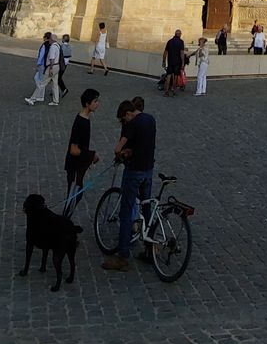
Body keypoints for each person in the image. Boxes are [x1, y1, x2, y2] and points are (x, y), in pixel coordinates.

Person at [102, 96, 156, 272]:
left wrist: (120, 155)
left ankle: (123, 257)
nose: (124, 122)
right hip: (148, 170)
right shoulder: (150, 120)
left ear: (128, 114)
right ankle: (149, 250)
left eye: (123, 119)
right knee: (147, 209)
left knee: (126, 213)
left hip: (134, 172)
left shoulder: (133, 124)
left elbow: (118, 148)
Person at [63, 88, 100, 218]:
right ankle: (64, 224)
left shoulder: (86, 119)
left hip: (79, 165)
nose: (97, 104)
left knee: (77, 194)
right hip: (74, 166)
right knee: (74, 196)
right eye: (95, 101)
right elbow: (73, 149)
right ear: (87, 104)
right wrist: (91, 155)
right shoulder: (81, 122)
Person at [24, 31, 52, 105]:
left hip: (43, 65)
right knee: (40, 80)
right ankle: (40, 96)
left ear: (45, 38)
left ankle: (35, 97)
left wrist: (38, 63)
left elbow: (41, 55)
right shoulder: (52, 45)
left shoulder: (44, 45)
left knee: (39, 80)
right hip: (47, 65)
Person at [162, 29, 185, 97]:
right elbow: (182, 53)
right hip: (177, 62)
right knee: (175, 77)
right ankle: (174, 91)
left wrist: (163, 61)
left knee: (168, 76)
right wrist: (183, 63)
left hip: (170, 62)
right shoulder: (181, 42)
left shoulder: (169, 41)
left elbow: (165, 52)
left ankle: (166, 92)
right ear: (179, 34)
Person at [46, 35, 62, 105]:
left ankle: (33, 98)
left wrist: (51, 69)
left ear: (51, 39)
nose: (48, 40)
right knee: (55, 84)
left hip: (53, 66)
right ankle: (56, 100)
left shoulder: (52, 47)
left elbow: (52, 59)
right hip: (57, 65)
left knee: (42, 83)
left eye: (49, 39)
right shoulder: (58, 46)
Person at [58, 33, 72, 98]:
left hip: (61, 64)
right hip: (65, 64)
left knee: (58, 78)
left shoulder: (61, 46)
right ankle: (55, 90)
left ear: (63, 39)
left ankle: (64, 89)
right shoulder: (69, 46)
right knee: (57, 77)